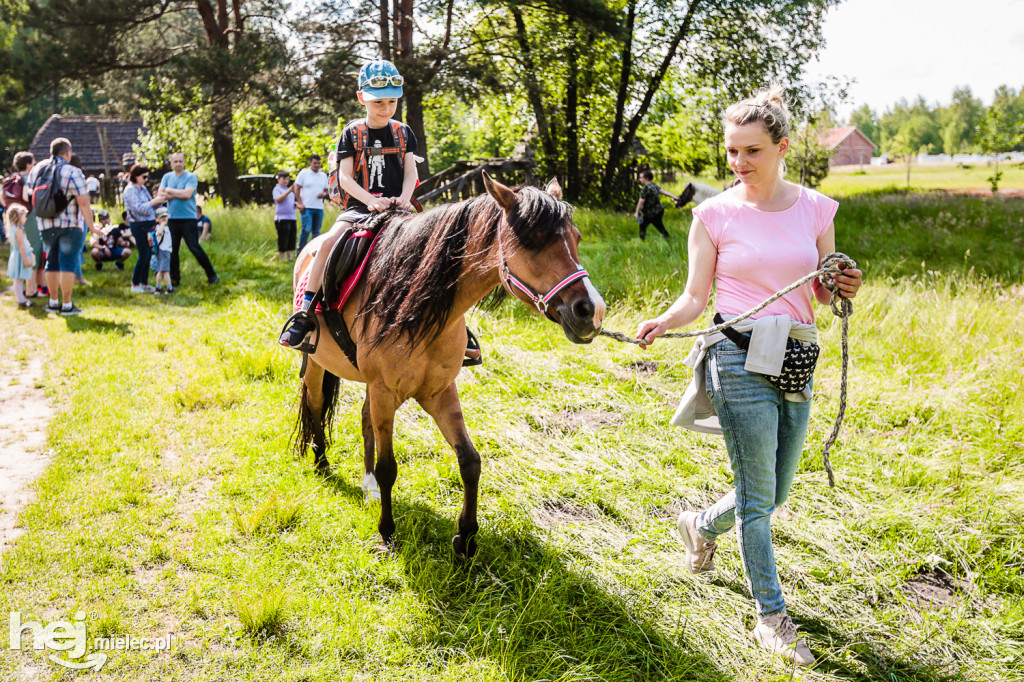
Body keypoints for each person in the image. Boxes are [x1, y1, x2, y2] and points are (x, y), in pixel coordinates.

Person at [635, 86, 863, 667]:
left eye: (752, 151)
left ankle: (698, 522)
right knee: (759, 501)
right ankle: (771, 616)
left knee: (774, 492)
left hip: (795, 355)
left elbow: (820, 284)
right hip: (735, 358)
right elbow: (694, 296)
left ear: (783, 147)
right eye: (732, 151)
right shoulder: (712, 215)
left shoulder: (816, 208)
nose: (738, 163)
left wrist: (841, 284)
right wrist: (664, 320)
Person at [280, 58, 419, 350]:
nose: (386, 109)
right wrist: (371, 200)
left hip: (400, 206)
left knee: (435, 247)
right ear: (361, 99)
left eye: (392, 102)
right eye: (378, 102)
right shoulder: (352, 134)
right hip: (359, 207)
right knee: (328, 242)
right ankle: (305, 313)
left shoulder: (404, 132)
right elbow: (344, 178)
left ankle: (454, 325)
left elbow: (410, 172)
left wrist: (404, 199)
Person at [25, 137, 103, 315]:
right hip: (70, 225)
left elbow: (31, 195)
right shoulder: (72, 171)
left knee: (51, 262)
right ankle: (67, 305)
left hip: (45, 223)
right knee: (67, 263)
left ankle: (53, 302)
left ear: (50, 151)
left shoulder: (37, 169)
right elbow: (83, 202)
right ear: (68, 152)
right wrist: (92, 228)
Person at [158, 151, 219, 287]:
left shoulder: (191, 177)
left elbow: (187, 195)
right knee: (172, 250)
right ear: (172, 163)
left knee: (194, 247)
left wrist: (170, 190)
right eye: (176, 161)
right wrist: (177, 192)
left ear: (184, 162)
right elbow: (161, 195)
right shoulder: (167, 177)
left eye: (181, 161)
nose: (178, 164)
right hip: (172, 219)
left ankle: (212, 275)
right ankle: (174, 279)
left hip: (188, 219)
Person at [2, 152, 46, 298]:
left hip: (15, 219)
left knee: (20, 249)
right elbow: (26, 196)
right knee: (34, 250)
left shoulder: (11, 180)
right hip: (29, 218)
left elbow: (3, 199)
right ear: (28, 165)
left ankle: (24, 286)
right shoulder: (27, 179)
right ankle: (31, 289)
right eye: (33, 162)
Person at [124, 164, 164, 292]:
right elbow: (139, 209)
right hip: (138, 225)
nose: (147, 179)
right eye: (144, 176)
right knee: (143, 254)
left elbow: (149, 206)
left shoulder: (141, 188)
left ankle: (144, 283)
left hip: (148, 224)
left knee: (148, 253)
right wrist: (154, 201)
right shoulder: (130, 190)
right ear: (135, 176)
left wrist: (158, 203)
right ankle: (135, 283)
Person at [294, 154, 329, 252]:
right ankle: (300, 252)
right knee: (306, 230)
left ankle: (313, 253)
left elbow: (326, 190)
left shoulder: (323, 175)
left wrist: (324, 194)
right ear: (310, 163)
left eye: (318, 163)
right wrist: (300, 203)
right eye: (315, 163)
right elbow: (296, 188)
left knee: (316, 232)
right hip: (307, 207)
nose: (317, 165)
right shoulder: (304, 173)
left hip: (319, 208)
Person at [5, 205, 36, 308]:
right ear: (18, 217)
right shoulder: (18, 230)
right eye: (24, 217)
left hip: (17, 256)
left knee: (18, 279)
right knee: (19, 280)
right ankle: (21, 300)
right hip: (20, 257)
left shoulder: (13, 229)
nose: (26, 219)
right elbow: (21, 246)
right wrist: (26, 260)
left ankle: (20, 298)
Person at [634, 170, 677, 240]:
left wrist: (636, 212)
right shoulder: (653, 185)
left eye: (641, 178)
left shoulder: (645, 188)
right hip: (659, 210)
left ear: (646, 178)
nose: (640, 179)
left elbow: (641, 201)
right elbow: (663, 192)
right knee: (655, 225)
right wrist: (674, 196)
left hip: (651, 212)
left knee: (645, 226)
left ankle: (642, 240)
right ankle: (666, 237)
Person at [272, 170, 298, 262]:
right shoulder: (277, 189)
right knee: (283, 238)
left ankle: (289, 258)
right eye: (283, 179)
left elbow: (289, 202)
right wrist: (289, 190)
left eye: (287, 179)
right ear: (278, 179)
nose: (286, 181)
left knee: (291, 238)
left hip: (292, 217)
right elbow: (279, 199)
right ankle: (281, 259)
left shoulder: (290, 192)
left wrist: (295, 204)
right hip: (282, 219)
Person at [151, 207, 173, 294]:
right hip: (163, 251)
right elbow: (159, 233)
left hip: (166, 251)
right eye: (161, 217)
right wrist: (162, 224)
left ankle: (158, 288)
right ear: (157, 219)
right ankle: (169, 288)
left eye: (165, 216)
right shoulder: (159, 227)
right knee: (166, 271)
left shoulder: (167, 228)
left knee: (161, 271)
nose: (164, 218)